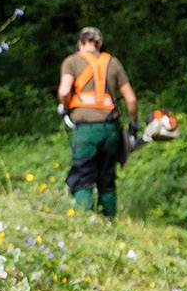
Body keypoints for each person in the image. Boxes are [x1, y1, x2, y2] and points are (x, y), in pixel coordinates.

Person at [57, 26, 137, 218]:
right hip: (110, 129)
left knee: (83, 176)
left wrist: (66, 108)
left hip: (85, 130)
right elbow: (131, 99)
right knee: (107, 177)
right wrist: (133, 125)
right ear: (99, 43)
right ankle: (109, 221)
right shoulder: (113, 63)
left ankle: (86, 222)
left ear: (80, 43)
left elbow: (64, 91)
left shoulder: (71, 62)